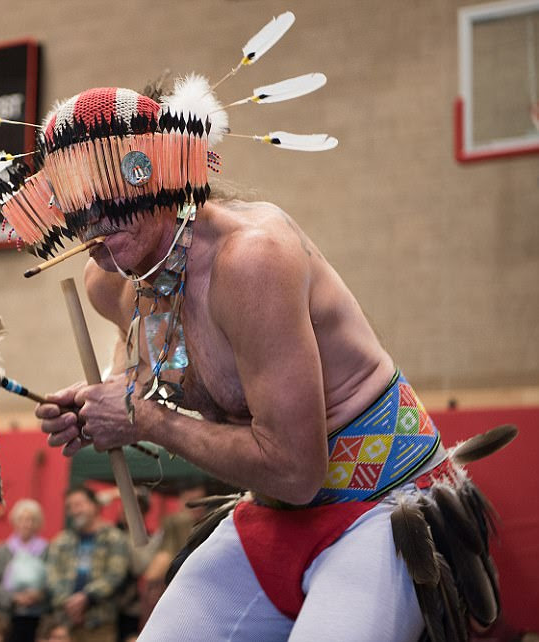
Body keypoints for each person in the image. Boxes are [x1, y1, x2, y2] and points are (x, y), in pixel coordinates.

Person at [26, 71, 505, 640]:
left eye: (110, 198)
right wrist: (97, 408)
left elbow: (298, 471)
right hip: (275, 512)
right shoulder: (110, 281)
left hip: (380, 504)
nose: (95, 227)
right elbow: (139, 378)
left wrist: (139, 418)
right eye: (78, 211)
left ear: (160, 173)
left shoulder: (251, 260)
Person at [44, 486, 129, 642]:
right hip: (64, 624)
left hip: (100, 623)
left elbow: (116, 574)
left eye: (79, 504)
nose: (74, 510)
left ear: (95, 506)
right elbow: (51, 575)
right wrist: (68, 603)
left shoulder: (114, 538)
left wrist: (86, 597)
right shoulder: (61, 540)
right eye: (70, 506)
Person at [0, 499, 48, 642]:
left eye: (32, 520)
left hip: (37, 617)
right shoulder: (2, 551)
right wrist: (13, 598)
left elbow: (53, 579)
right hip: (7, 617)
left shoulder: (47, 550)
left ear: (38, 523)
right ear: (14, 522)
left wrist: (38, 595)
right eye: (22, 519)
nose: (27, 524)